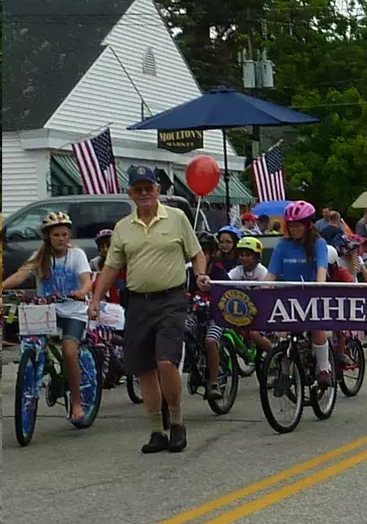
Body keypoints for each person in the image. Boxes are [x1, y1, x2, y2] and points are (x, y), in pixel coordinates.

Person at [88, 165, 204, 453]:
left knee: (166, 362)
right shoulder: (123, 227)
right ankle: (156, 431)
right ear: (130, 193)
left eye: (148, 188)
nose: (144, 194)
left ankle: (176, 422)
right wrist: (95, 299)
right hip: (138, 302)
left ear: (157, 190)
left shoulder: (177, 218)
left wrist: (200, 275)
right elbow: (112, 267)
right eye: (137, 189)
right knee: (144, 370)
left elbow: (197, 253)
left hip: (171, 299)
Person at [4, 211, 93, 424]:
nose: (61, 239)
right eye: (56, 235)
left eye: (64, 234)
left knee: (70, 352)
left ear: (69, 235)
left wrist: (82, 291)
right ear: (48, 237)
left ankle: (77, 403)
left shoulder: (77, 255)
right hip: (46, 310)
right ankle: (35, 377)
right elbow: (21, 275)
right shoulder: (40, 256)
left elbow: (87, 279)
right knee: (30, 345)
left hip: (73, 310)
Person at [265, 200, 337, 387]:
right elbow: (271, 273)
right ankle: (285, 372)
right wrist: (261, 288)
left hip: (311, 295)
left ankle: (324, 369)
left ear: (308, 225)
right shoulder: (282, 245)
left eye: (298, 226)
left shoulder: (318, 243)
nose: (294, 229)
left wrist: (319, 286)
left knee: (316, 327)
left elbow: (321, 268)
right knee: (282, 334)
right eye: (291, 226)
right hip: (288, 297)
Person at [186, 232, 231, 402]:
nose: (200, 256)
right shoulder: (188, 273)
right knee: (181, 331)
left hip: (216, 316)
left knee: (211, 341)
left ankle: (213, 382)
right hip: (194, 315)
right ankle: (191, 365)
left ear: (212, 254)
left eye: (205, 252)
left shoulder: (219, 273)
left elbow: (229, 293)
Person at [227, 236, 276, 357]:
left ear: (256, 257)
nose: (244, 258)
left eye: (248, 255)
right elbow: (226, 280)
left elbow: (268, 288)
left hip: (261, 310)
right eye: (241, 255)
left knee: (254, 334)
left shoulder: (262, 271)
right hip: (243, 308)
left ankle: (274, 355)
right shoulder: (237, 270)